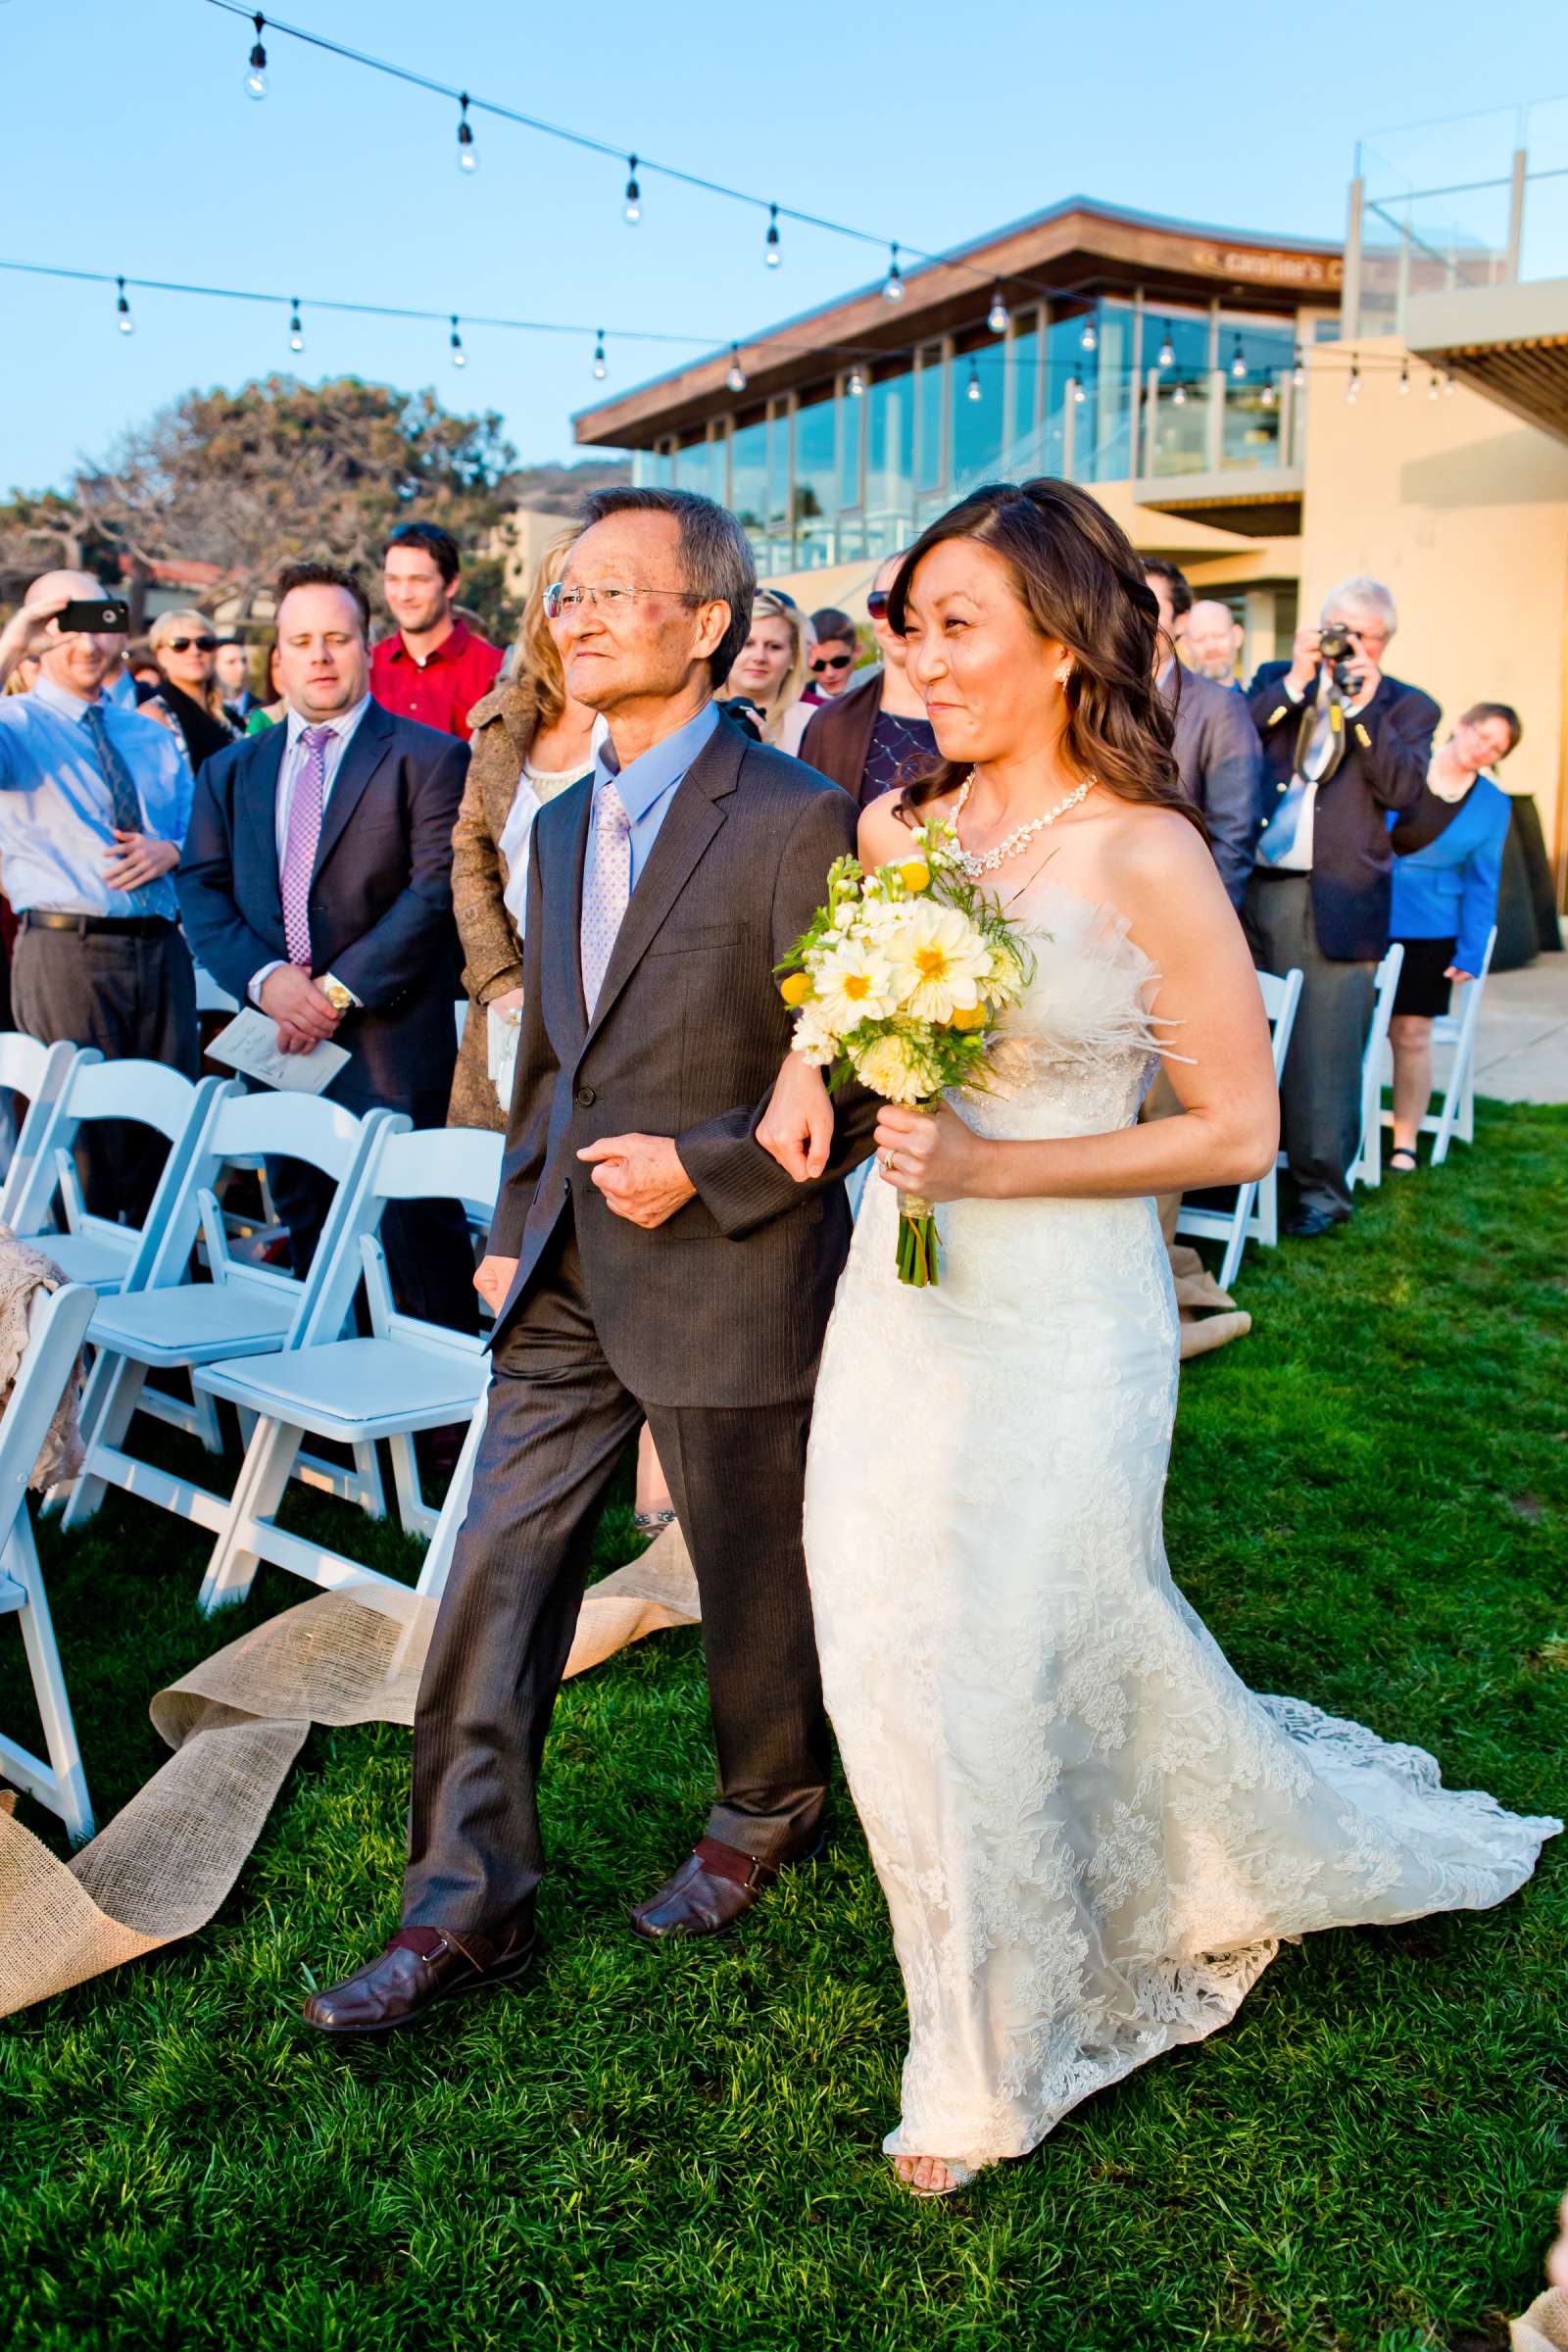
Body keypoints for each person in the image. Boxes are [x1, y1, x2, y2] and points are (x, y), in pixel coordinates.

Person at [756, 476, 1558, 2197]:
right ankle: (971, 1948)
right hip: (900, 1301)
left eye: (956, 623)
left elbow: (1238, 1132)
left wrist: (993, 1158)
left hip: (1063, 1321)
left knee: (1020, 1640)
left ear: (1061, 643)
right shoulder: (904, 830)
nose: (921, 653)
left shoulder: (1148, 849)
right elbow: (845, 985)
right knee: (889, 1638)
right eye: (910, 622)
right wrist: (804, 1075)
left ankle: (989, 2052)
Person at [302, 486, 878, 2038]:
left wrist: (703, 1170)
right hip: (559, 1273)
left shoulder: (797, 817)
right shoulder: (554, 827)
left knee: (755, 1571)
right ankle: (463, 1906)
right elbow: (549, 1060)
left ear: (709, 629)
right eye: (566, 592)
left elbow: (873, 1067)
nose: (576, 614)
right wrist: (506, 1235)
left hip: (738, 1261)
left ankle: (767, 1803)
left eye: (617, 591)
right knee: (496, 1569)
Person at [177, 562, 475, 1332]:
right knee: (305, 1210)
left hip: (390, 1038)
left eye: (335, 638)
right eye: (300, 641)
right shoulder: (230, 769)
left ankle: (440, 1420)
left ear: (366, 646)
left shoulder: (428, 758)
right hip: (278, 1036)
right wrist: (268, 980)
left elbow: (434, 892)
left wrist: (333, 994)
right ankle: (321, 1381)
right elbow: (201, 888)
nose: (318, 656)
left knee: (415, 1227)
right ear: (277, 656)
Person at [1244, 577, 1442, 1236]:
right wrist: (1301, 683)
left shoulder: (1408, 706)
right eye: (1337, 628)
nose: (1346, 643)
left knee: (1324, 1055)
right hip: (1257, 886)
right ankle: (1240, 1173)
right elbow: (1239, 742)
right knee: (1243, 1040)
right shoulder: (1278, 680)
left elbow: (1403, 786)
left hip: (1338, 901)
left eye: (1361, 635)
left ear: (1383, 643)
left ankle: (1321, 1194)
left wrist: (1361, 709)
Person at [0, 570, 197, 1219]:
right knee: (79, 1152)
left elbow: (198, 836)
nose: (84, 640)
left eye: (96, 620)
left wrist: (172, 849)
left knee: (166, 1144)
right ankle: (70, 1312)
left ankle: (153, 1306)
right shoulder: (17, 725)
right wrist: (17, 634)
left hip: (161, 955)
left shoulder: (149, 734)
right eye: (64, 622)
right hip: (67, 954)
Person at [449, 525, 598, 1133]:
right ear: (545, 606)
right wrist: (500, 978)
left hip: (603, 1001)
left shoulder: (652, 721)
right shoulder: (505, 719)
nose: (582, 614)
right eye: (568, 594)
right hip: (508, 1001)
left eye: (603, 594)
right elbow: (471, 853)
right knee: (498, 1195)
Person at [1387, 701, 1518, 1169]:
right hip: (1366, 914)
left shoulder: (1493, 805)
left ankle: (1405, 1140)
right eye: (1483, 734)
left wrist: (1472, 949)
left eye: (1498, 746)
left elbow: (1485, 880)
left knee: (1412, 1034)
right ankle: (1339, 1132)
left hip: (1433, 929)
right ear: (1461, 726)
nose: (1486, 748)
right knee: (1349, 1031)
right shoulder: (1405, 767)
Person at [1143, 560, 1261, 907]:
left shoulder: (1218, 706)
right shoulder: (1096, 698)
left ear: (1180, 622)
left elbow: (1234, 833)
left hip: (1183, 907)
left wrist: (1211, 917)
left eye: (1150, 605)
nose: (1135, 616)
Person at [798, 554, 938, 804]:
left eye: (910, 600)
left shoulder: (980, 717)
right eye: (882, 604)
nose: (897, 615)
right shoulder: (831, 723)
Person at [369, 520, 502, 742]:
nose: (404, 595)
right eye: (393, 580)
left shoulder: (495, 671)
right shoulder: (366, 668)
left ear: (451, 584)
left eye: (419, 580)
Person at [142, 610, 241, 775]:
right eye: (180, 645)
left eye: (205, 643)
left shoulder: (229, 713)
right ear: (160, 655)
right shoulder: (153, 716)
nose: (195, 651)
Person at [719, 591, 815, 753]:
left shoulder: (815, 722)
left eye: (774, 646)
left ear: (794, 657)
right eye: (747, 644)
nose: (759, 657)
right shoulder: (693, 716)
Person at [1185, 598, 1246, 684]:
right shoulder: (1170, 697)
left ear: (1237, 636)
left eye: (1219, 636)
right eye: (1200, 639)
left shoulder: (1258, 696)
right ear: (1186, 646)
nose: (1211, 647)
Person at [804, 607, 858, 702]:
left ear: (857, 652)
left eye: (839, 662)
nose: (830, 674)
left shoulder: (879, 694)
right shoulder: (795, 704)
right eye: (819, 665)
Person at [214, 639, 261, 717]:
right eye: (231, 662)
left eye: (244, 661)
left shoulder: (264, 710)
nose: (242, 668)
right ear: (213, 666)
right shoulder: (203, 711)